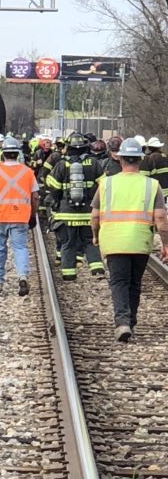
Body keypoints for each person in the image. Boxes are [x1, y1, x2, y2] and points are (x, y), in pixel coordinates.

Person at [91, 137, 168, 341]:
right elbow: (160, 217)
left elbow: (95, 215)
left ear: (121, 159)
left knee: (118, 282)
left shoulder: (106, 183)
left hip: (114, 240)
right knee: (134, 283)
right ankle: (131, 321)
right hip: (140, 241)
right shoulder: (152, 185)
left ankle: (123, 322)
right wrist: (166, 244)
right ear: (140, 160)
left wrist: (95, 235)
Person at [0, 136, 39, 297]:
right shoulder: (28, 172)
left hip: (0, 216)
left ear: (3, 154)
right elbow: (35, 197)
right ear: (18, 153)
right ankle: (23, 276)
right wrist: (33, 215)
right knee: (20, 248)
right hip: (21, 217)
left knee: (0, 248)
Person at [46, 133, 104, 280]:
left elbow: (54, 187)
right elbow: (104, 186)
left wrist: (57, 202)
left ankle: (69, 274)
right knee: (90, 241)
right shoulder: (93, 163)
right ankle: (97, 270)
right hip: (88, 213)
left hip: (66, 214)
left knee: (68, 244)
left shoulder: (61, 164)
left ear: (68, 147)